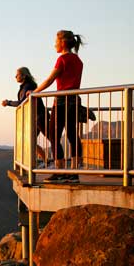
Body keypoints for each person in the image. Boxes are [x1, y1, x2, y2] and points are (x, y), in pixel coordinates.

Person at [31, 30, 85, 183]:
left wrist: (34, 93)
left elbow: (49, 80)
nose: (54, 44)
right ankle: (74, 173)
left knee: (54, 136)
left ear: (62, 42)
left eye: (56, 41)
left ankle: (59, 171)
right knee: (72, 135)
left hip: (61, 101)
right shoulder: (78, 60)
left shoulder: (62, 59)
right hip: (74, 100)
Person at [2, 67, 50, 161]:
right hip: (37, 116)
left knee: (51, 138)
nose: (15, 76)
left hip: (39, 116)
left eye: (18, 74)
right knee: (30, 140)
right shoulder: (26, 86)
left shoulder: (28, 86)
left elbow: (21, 102)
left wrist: (8, 102)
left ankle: (54, 161)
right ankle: (47, 160)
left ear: (24, 75)